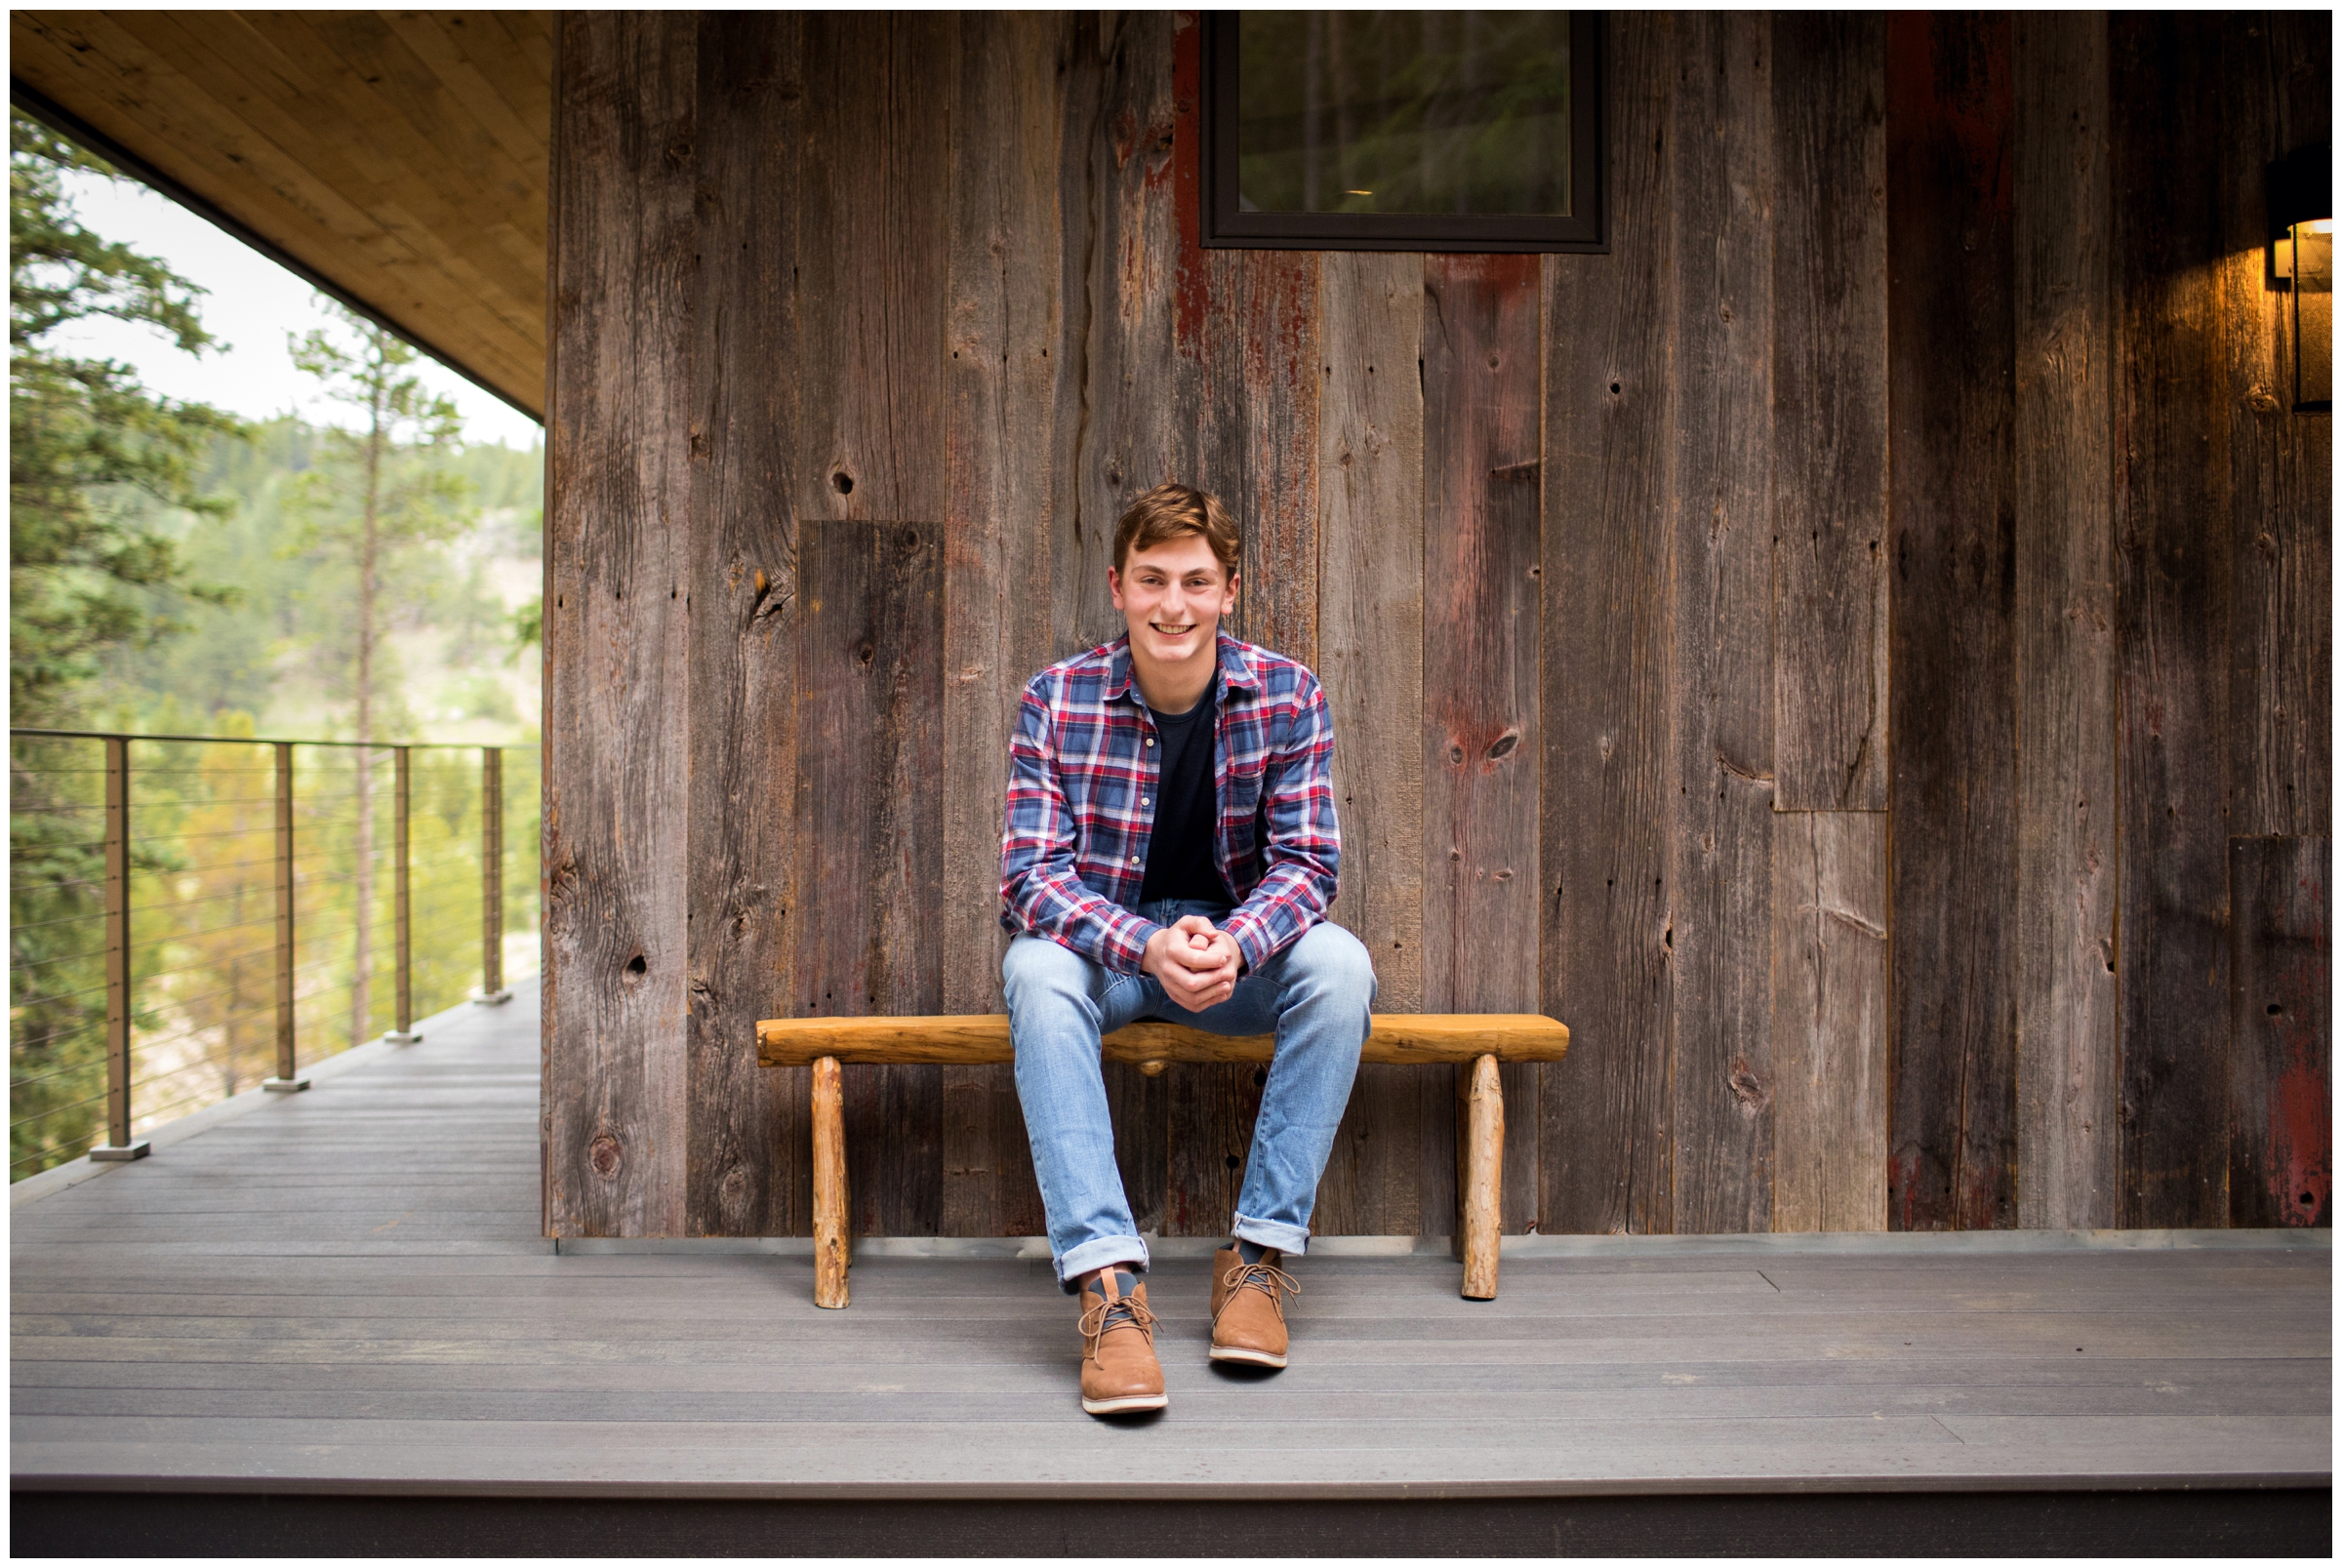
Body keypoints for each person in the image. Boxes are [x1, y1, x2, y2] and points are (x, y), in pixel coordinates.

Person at [998, 482, 1375, 1416]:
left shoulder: (1290, 696)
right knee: (1036, 968)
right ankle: (1109, 1293)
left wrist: (1237, 944)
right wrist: (1145, 942)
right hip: (1115, 957)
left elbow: (1308, 863)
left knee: (1340, 965)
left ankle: (1257, 1262)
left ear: (1230, 591)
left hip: (1232, 957)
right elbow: (1031, 879)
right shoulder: (1056, 698)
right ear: (1119, 585)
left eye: (1197, 582)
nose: (1175, 604)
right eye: (1154, 579)